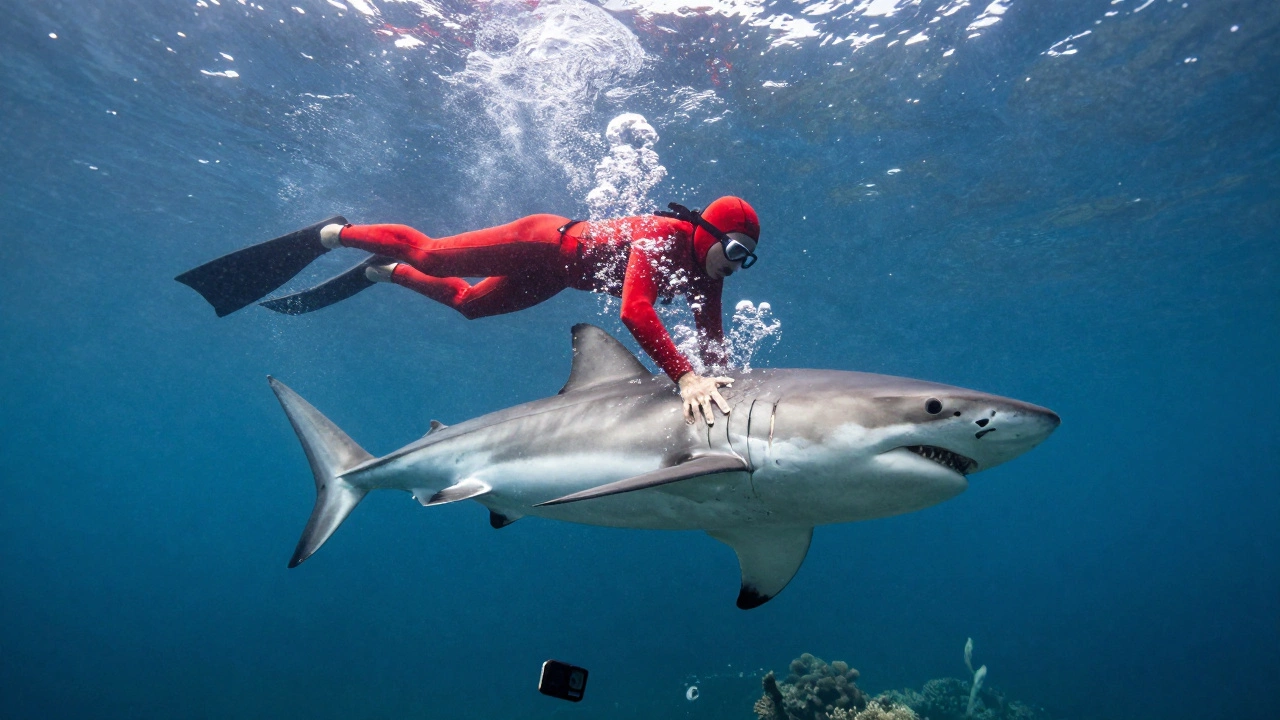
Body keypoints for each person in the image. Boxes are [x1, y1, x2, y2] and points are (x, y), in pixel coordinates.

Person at [175, 197, 761, 425]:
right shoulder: (662, 239)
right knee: (432, 254)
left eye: (747, 260)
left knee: (469, 307)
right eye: (734, 250)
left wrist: (724, 380)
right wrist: (683, 378)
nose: (736, 265)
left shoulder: (704, 275)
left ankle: (383, 273)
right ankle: (337, 232)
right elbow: (636, 312)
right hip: (542, 242)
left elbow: (713, 342)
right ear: (706, 232)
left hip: (555, 279)